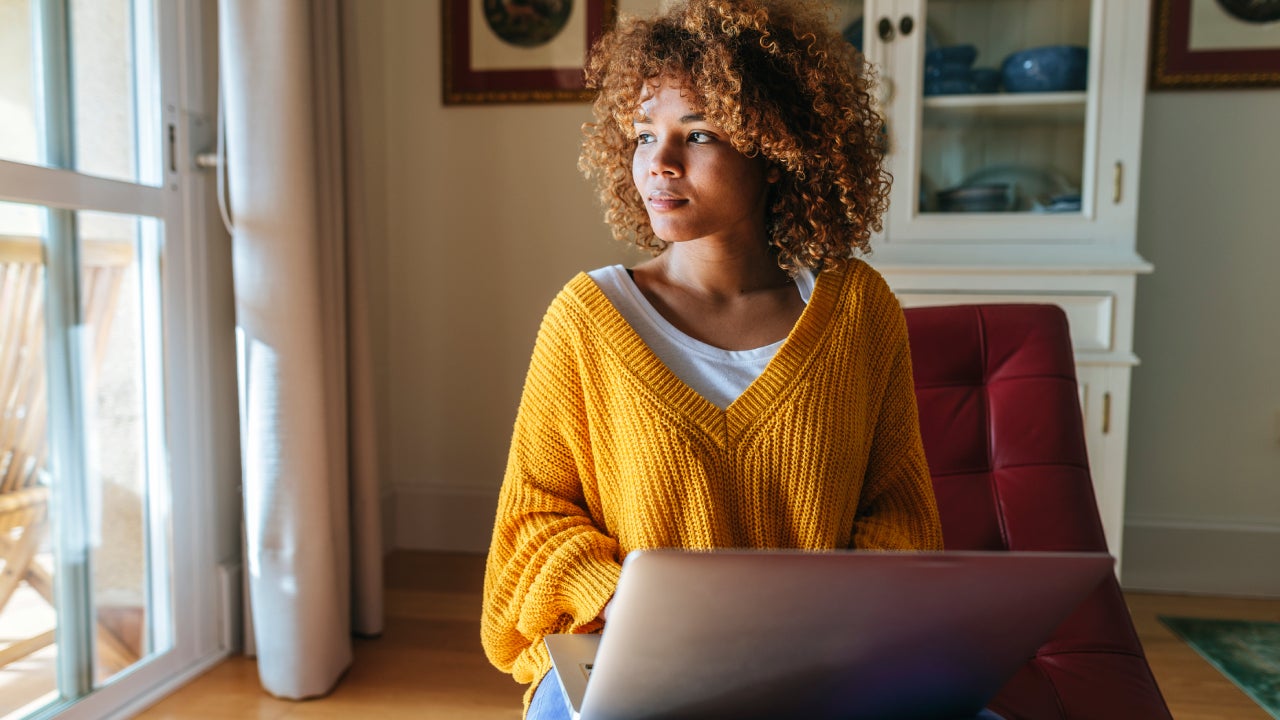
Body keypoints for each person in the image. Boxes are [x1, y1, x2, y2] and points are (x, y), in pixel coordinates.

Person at [481, 1, 954, 717]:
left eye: (696, 133)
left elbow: (898, 516)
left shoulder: (859, 312)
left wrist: (835, 629)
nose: (659, 163)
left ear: (777, 150)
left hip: (819, 664)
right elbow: (534, 524)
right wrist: (620, 601)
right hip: (630, 656)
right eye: (643, 135)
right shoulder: (586, 321)